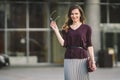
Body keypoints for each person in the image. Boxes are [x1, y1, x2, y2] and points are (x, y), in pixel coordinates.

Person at [50, 5, 96, 80]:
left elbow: (89, 45)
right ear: (69, 15)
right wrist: (56, 31)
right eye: (72, 14)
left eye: (76, 13)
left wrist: (93, 61)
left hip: (82, 59)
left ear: (80, 14)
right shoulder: (66, 28)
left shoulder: (87, 28)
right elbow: (63, 44)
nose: (74, 16)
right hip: (69, 59)